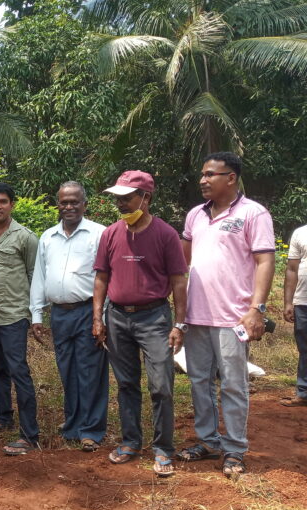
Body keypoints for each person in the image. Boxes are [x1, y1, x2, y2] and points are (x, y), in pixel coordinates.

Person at [179, 152, 275, 477]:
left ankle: (234, 449)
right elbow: (184, 261)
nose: (203, 180)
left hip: (234, 318)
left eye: (210, 174)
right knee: (198, 382)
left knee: (233, 385)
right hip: (196, 316)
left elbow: (265, 262)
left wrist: (256, 309)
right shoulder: (195, 215)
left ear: (230, 177)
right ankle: (208, 442)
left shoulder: (253, 214)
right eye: (202, 174)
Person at [93, 170, 188, 477]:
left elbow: (178, 281)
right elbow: (102, 277)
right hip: (118, 316)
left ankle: (163, 448)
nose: (120, 203)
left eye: (127, 198)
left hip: (154, 317)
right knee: (126, 383)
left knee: (161, 385)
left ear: (146, 198)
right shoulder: (110, 233)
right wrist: (98, 317)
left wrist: (180, 324)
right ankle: (131, 441)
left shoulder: (165, 234)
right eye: (117, 198)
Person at [30, 182, 108, 452]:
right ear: (58, 205)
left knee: (91, 371)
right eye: (64, 202)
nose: (69, 206)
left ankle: (92, 429)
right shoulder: (48, 237)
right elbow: (40, 275)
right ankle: (73, 423)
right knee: (67, 370)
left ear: (84, 204)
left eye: (74, 201)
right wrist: (37, 314)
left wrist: (102, 316)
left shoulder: (99, 234)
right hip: (60, 315)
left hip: (89, 311)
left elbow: (106, 277)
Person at [0, 182, 39, 455]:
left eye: (3, 201)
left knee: (19, 372)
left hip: (14, 316)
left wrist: (34, 315)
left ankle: (29, 434)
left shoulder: (25, 237)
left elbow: (35, 276)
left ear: (12, 204)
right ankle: (4, 418)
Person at [282, 222, 307, 407]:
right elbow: (292, 269)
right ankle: (304, 392)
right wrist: (288, 302)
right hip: (303, 301)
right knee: (305, 348)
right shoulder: (300, 233)